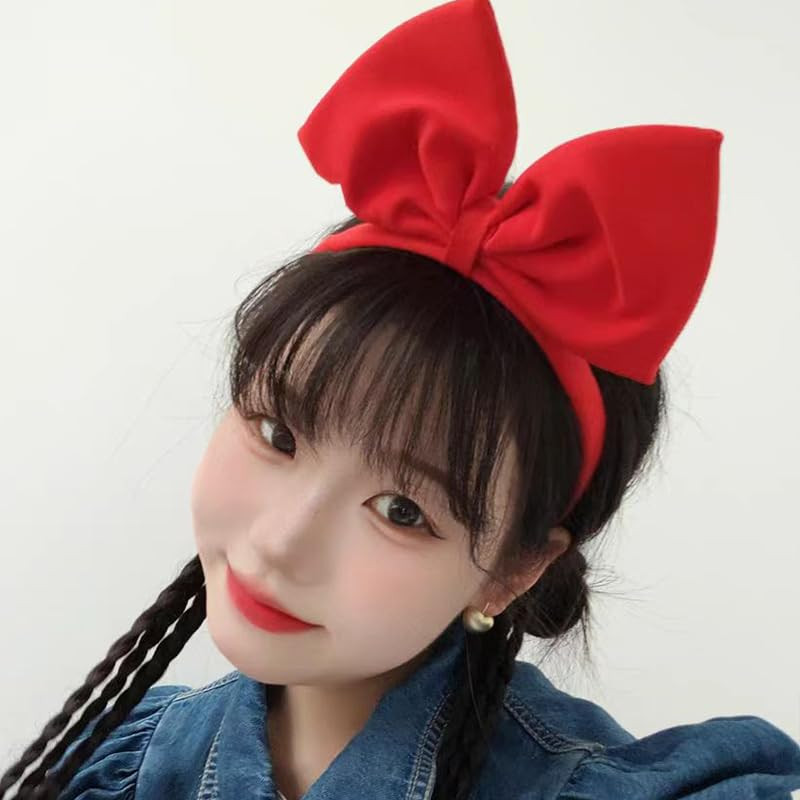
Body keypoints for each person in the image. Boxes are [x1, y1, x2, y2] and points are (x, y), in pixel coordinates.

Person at [3, 0, 799, 798]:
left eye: (402, 510)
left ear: (512, 571)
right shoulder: (119, 760)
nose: (281, 542)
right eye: (277, 433)